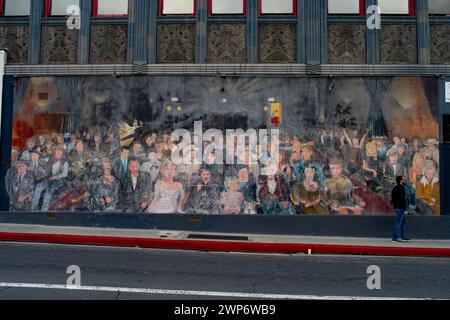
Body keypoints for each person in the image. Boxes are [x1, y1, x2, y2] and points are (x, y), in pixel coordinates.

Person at [391, 176, 410, 242]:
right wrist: (404, 208)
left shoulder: (394, 188)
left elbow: (392, 199)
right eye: (403, 180)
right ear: (401, 181)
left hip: (397, 207)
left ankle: (403, 237)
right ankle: (394, 238)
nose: (404, 181)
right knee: (398, 223)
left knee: (403, 223)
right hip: (401, 208)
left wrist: (395, 206)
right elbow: (402, 199)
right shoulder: (401, 188)